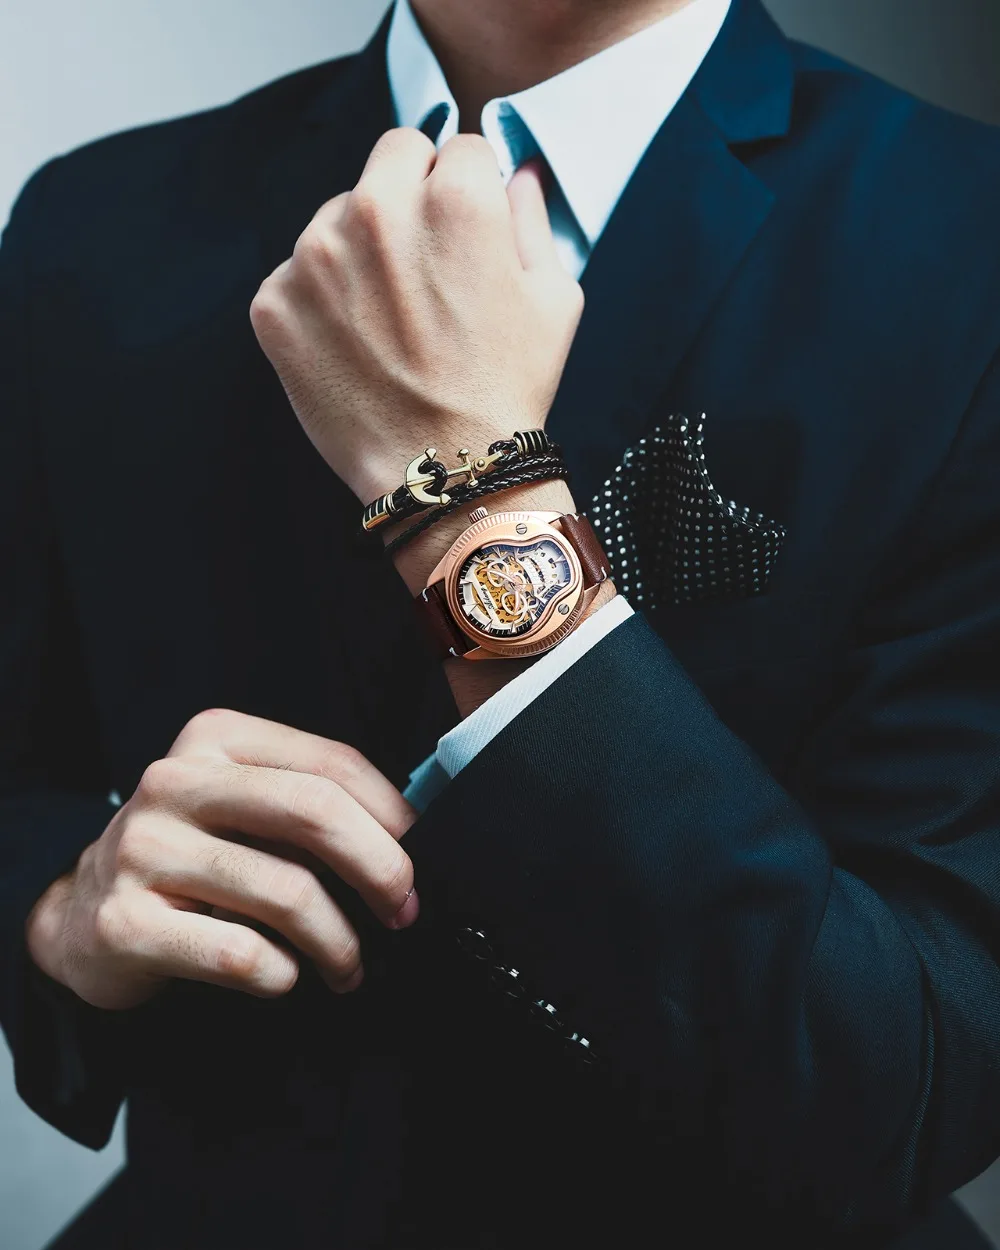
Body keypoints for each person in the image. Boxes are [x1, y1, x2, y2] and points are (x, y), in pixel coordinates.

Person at [2, 0, 1000, 1245]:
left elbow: (922, 1069)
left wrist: (469, 504)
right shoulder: (92, 225)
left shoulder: (969, 241)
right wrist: (59, 904)